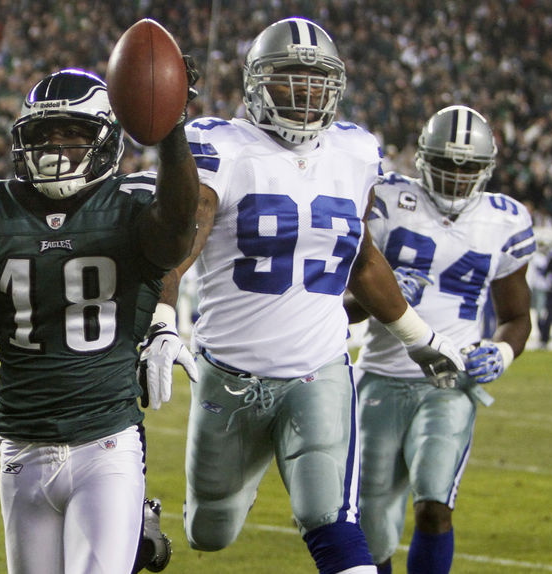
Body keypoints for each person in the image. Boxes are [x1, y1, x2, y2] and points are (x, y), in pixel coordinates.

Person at [137, 18, 464, 574]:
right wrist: (164, 316)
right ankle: (151, 514)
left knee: (330, 516)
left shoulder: (356, 151)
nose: (306, 91)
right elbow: (184, 235)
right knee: (208, 531)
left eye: (317, 80)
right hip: (229, 373)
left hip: (320, 368)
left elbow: (359, 257)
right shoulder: (221, 144)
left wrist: (419, 336)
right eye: (289, 77)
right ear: (256, 84)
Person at [0, 65, 200, 574]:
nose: (56, 146)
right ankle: (136, 540)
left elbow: (171, 238)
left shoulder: (132, 204)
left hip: (105, 440)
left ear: (105, 142)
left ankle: (131, 535)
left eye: (74, 134)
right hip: (22, 447)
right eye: (43, 134)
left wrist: (171, 126)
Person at [345, 105, 534, 574]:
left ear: (486, 169)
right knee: (371, 519)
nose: (455, 175)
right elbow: (341, 305)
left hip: (450, 384)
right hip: (381, 377)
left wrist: (503, 350)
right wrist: (377, 297)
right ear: (423, 159)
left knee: (434, 503)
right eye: (446, 163)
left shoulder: (506, 221)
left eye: (467, 166)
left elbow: (517, 315)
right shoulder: (386, 199)